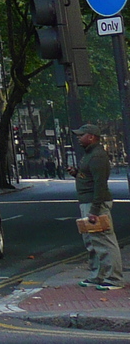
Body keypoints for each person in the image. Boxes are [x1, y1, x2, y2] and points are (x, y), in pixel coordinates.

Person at [67, 124, 124, 290]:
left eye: (81, 135)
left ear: (91, 136)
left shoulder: (97, 156)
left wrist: (94, 211)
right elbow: (89, 177)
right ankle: (97, 276)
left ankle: (114, 279)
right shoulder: (89, 154)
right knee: (92, 242)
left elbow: (100, 184)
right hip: (88, 201)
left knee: (105, 241)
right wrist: (76, 174)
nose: (78, 138)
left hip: (94, 203)